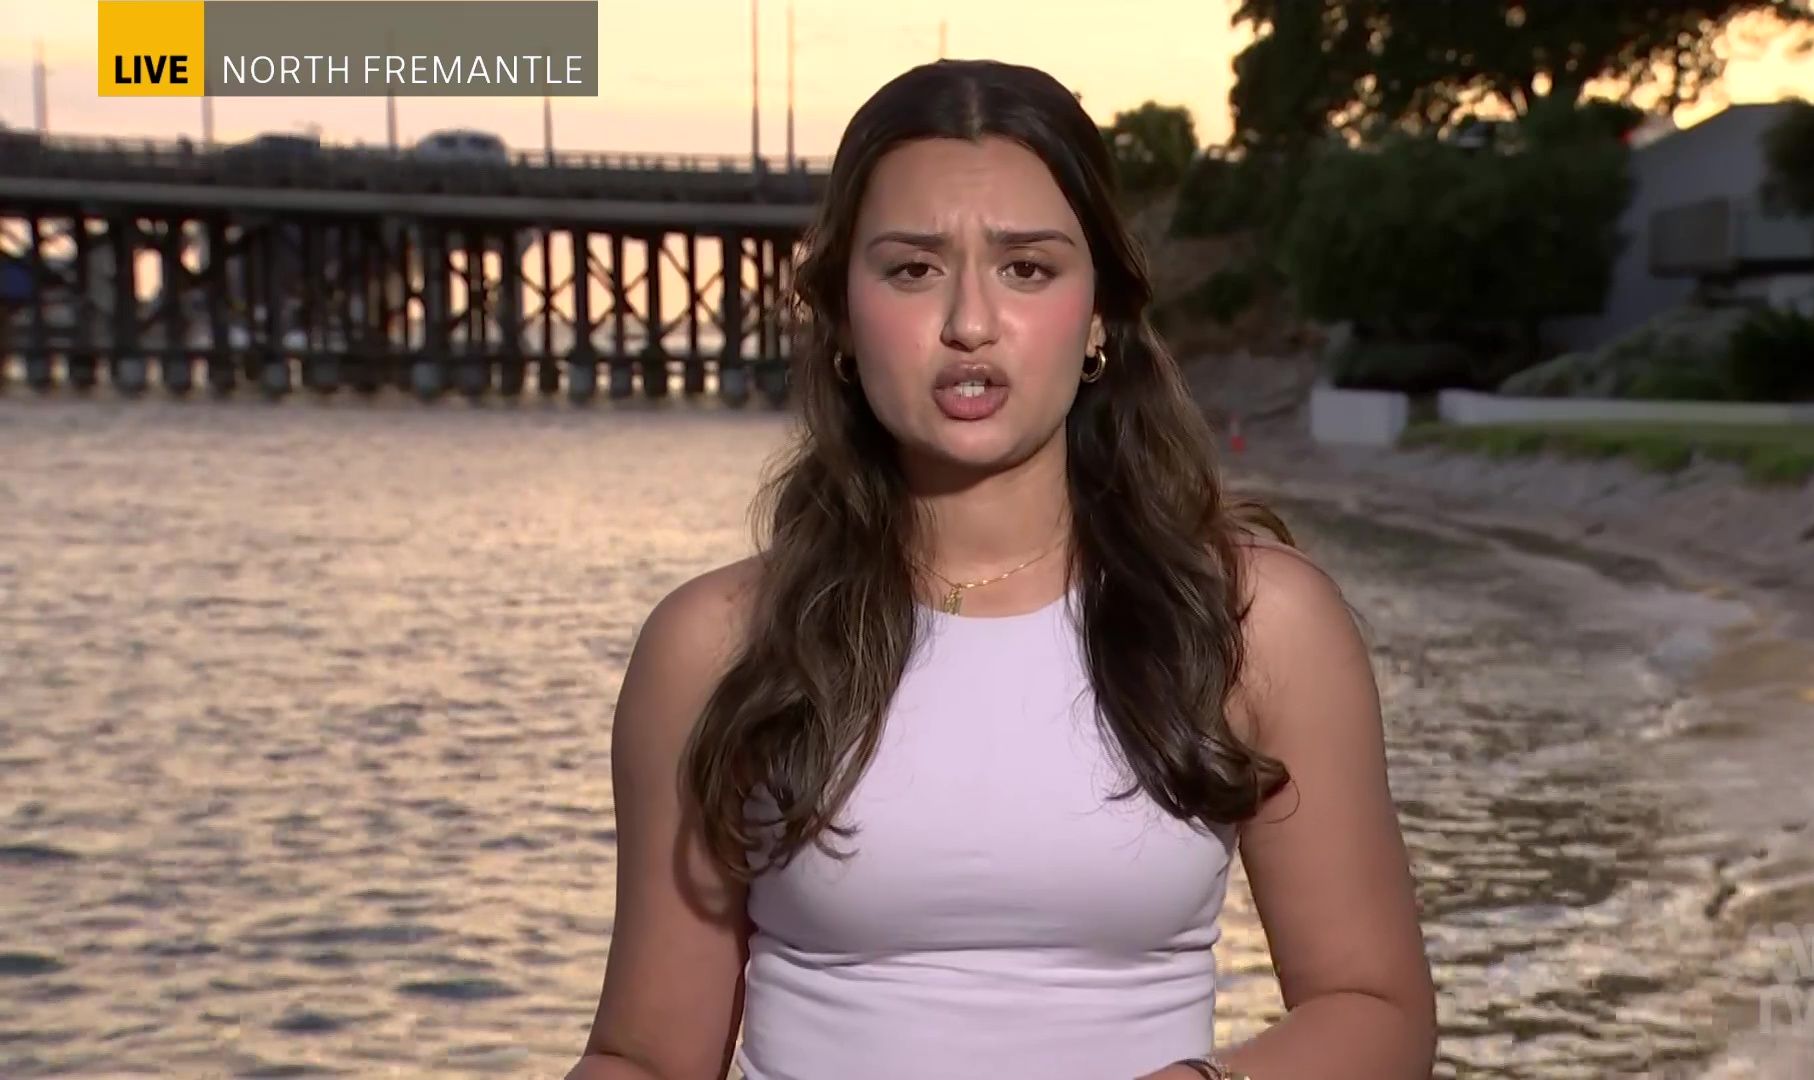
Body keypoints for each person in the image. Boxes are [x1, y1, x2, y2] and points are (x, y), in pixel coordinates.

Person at [566, 59, 1435, 1080]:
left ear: (1100, 312)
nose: (969, 322)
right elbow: (647, 1057)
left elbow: (1377, 1014)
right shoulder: (715, 646)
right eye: (912, 270)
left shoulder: (1255, 620)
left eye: (1027, 268)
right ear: (840, 315)